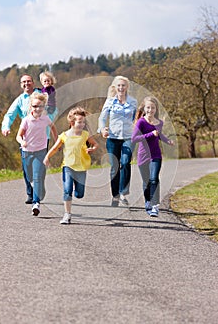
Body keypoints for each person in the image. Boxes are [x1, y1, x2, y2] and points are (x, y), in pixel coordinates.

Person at [1, 74, 58, 204]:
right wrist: (6, 127)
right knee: (27, 167)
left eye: (28, 81)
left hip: (43, 136)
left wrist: (47, 117)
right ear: (21, 85)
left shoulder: (43, 94)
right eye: (23, 82)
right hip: (26, 138)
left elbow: (54, 109)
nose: (26, 84)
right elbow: (10, 114)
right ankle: (30, 193)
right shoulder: (20, 100)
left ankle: (38, 190)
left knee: (40, 167)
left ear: (33, 82)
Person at [43, 106, 98, 225]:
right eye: (80, 122)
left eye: (83, 122)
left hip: (81, 168)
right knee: (67, 191)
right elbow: (55, 148)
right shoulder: (64, 135)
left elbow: (95, 145)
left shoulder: (85, 135)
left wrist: (92, 149)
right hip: (67, 167)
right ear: (72, 122)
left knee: (79, 193)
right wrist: (47, 157)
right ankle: (67, 214)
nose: (82, 124)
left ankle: (76, 193)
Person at [131, 96, 174, 217]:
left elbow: (159, 135)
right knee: (146, 182)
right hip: (143, 155)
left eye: (153, 108)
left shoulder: (159, 123)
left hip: (155, 155)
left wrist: (168, 141)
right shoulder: (141, 122)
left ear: (156, 109)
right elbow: (134, 138)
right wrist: (150, 134)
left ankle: (155, 206)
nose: (150, 110)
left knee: (154, 178)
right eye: (148, 107)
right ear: (144, 108)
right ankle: (148, 201)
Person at [98, 75, 137, 207]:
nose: (121, 88)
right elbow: (102, 118)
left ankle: (123, 193)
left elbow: (137, 119)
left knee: (125, 163)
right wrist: (103, 129)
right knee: (115, 167)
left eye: (123, 85)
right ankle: (115, 196)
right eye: (119, 85)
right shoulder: (109, 102)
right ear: (115, 87)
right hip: (113, 138)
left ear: (127, 87)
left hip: (128, 137)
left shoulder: (133, 102)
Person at [16, 92, 58, 216]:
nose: (37, 109)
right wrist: (22, 141)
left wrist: (57, 142)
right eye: (34, 106)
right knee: (29, 178)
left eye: (39, 106)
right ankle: (38, 189)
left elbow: (53, 128)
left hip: (40, 152)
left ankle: (36, 204)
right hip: (27, 152)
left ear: (44, 107)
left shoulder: (46, 119)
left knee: (37, 176)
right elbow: (18, 135)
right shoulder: (26, 120)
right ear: (31, 107)